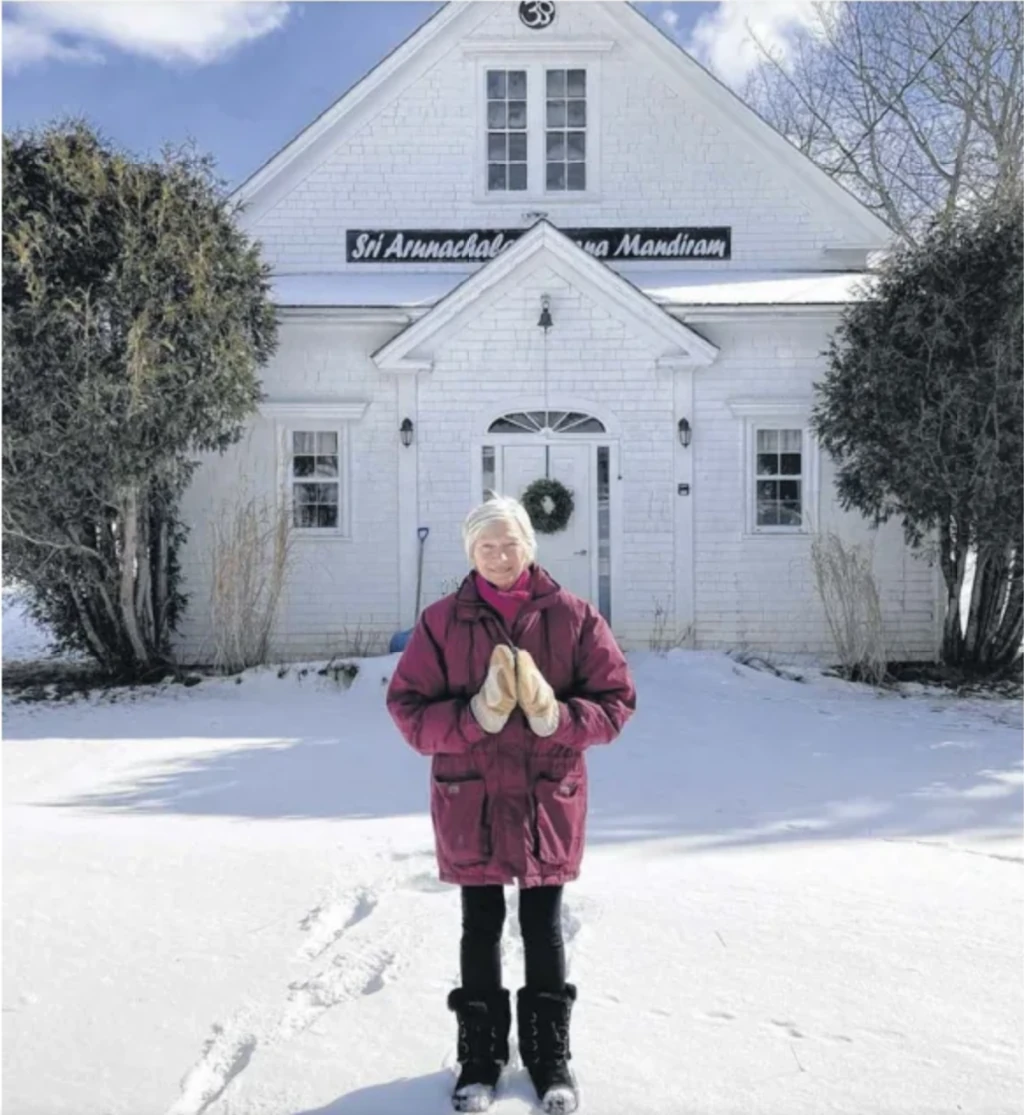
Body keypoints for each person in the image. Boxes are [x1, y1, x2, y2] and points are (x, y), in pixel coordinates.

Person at [386, 495, 636, 1114]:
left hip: (547, 798)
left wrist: (559, 717)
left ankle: (551, 1058)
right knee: (480, 927)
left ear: (531, 544)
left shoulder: (575, 618)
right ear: (471, 553)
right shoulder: (442, 622)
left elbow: (616, 701)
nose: (500, 556)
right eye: (486, 546)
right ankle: (480, 1057)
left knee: (543, 927)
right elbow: (409, 712)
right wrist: (473, 717)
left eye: (510, 543)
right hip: (471, 799)